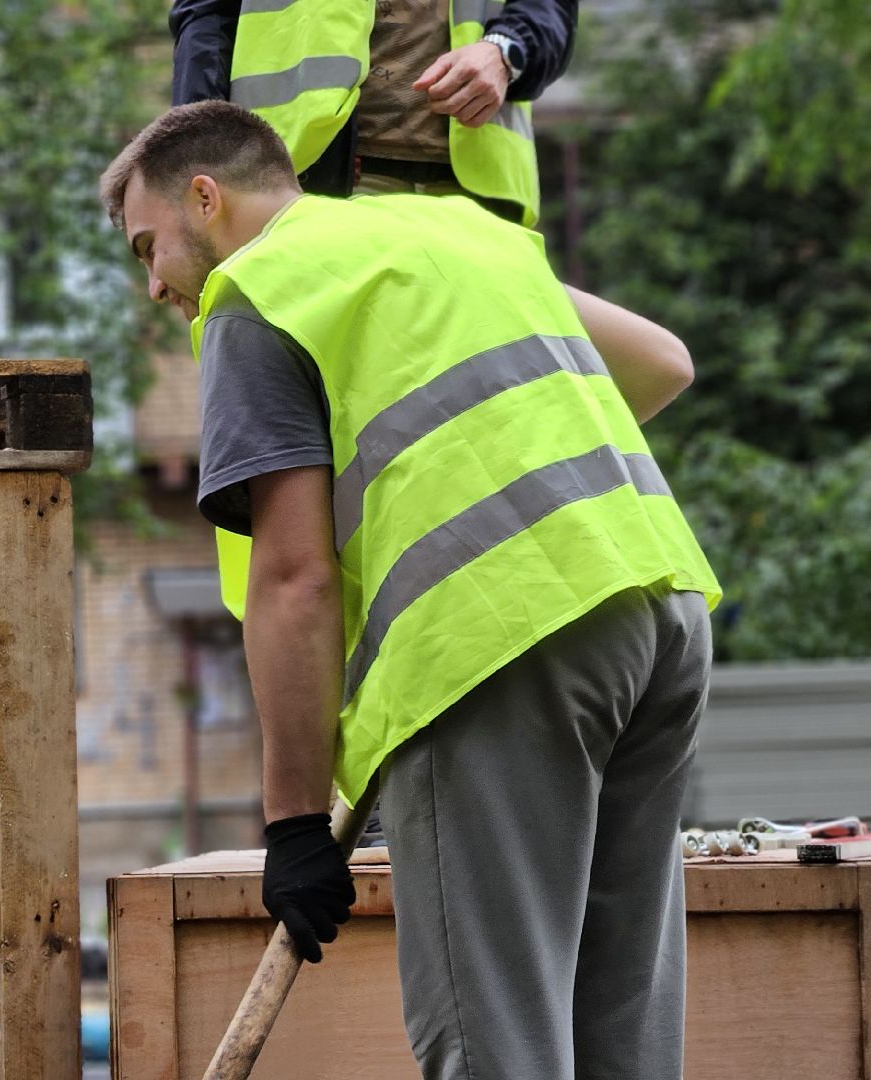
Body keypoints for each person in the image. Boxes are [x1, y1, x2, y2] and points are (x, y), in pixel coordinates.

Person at [102, 101, 720, 1079]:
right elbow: (661, 361)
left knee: (497, 1046)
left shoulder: (258, 291)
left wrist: (295, 825)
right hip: (658, 612)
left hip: (494, 648)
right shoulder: (453, 227)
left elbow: (294, 579)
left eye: (148, 247)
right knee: (621, 1033)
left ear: (205, 199)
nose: (152, 286)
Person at [170, 0, 577, 225]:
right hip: (309, 179)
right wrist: (196, 156)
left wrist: (504, 50)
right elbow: (207, 17)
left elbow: (548, 7)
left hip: (475, 189)